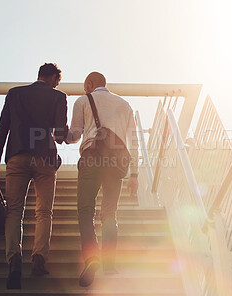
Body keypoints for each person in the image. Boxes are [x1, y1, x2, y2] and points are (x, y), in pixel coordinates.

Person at [0, 63, 68, 289]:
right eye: (56, 82)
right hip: (45, 161)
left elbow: (2, 128)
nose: (55, 85)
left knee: (14, 210)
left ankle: (14, 261)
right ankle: (39, 258)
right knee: (44, 211)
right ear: (52, 78)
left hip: (17, 156)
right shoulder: (59, 97)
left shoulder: (15, 94)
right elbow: (61, 135)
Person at [66, 72, 139, 287]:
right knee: (109, 212)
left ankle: (92, 258)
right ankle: (109, 262)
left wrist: (60, 135)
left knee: (86, 210)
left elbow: (75, 134)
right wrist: (134, 174)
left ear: (89, 84)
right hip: (116, 162)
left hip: (91, 157)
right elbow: (133, 142)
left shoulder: (83, 100)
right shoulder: (124, 105)